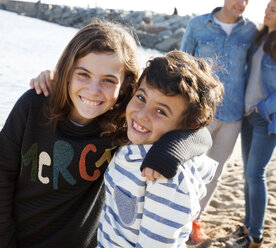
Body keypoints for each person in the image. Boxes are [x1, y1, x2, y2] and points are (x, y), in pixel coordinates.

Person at [0, 20, 211, 248]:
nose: (93, 90)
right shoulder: (34, 105)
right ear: (67, 71)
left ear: (125, 86)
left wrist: (169, 150)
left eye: (109, 80)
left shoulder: (123, 123)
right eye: (83, 74)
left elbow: (201, 135)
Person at [97, 51, 224, 247]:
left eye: (160, 111)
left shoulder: (166, 178)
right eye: (141, 97)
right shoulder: (138, 141)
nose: (141, 114)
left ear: (187, 127)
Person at [180, 0, 258, 243]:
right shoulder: (197, 25)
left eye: (247, 0)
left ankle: (195, 221)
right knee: (188, 167)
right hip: (199, 112)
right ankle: (180, 215)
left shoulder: (251, 31)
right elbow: (182, 65)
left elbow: (257, 67)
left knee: (214, 172)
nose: (242, 4)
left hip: (233, 116)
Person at [226, 1, 276, 247]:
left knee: (256, 175)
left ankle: (255, 236)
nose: (267, 12)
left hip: (266, 119)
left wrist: (263, 107)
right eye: (268, 7)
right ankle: (247, 226)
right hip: (247, 115)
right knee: (248, 175)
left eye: (274, 9)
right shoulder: (260, 38)